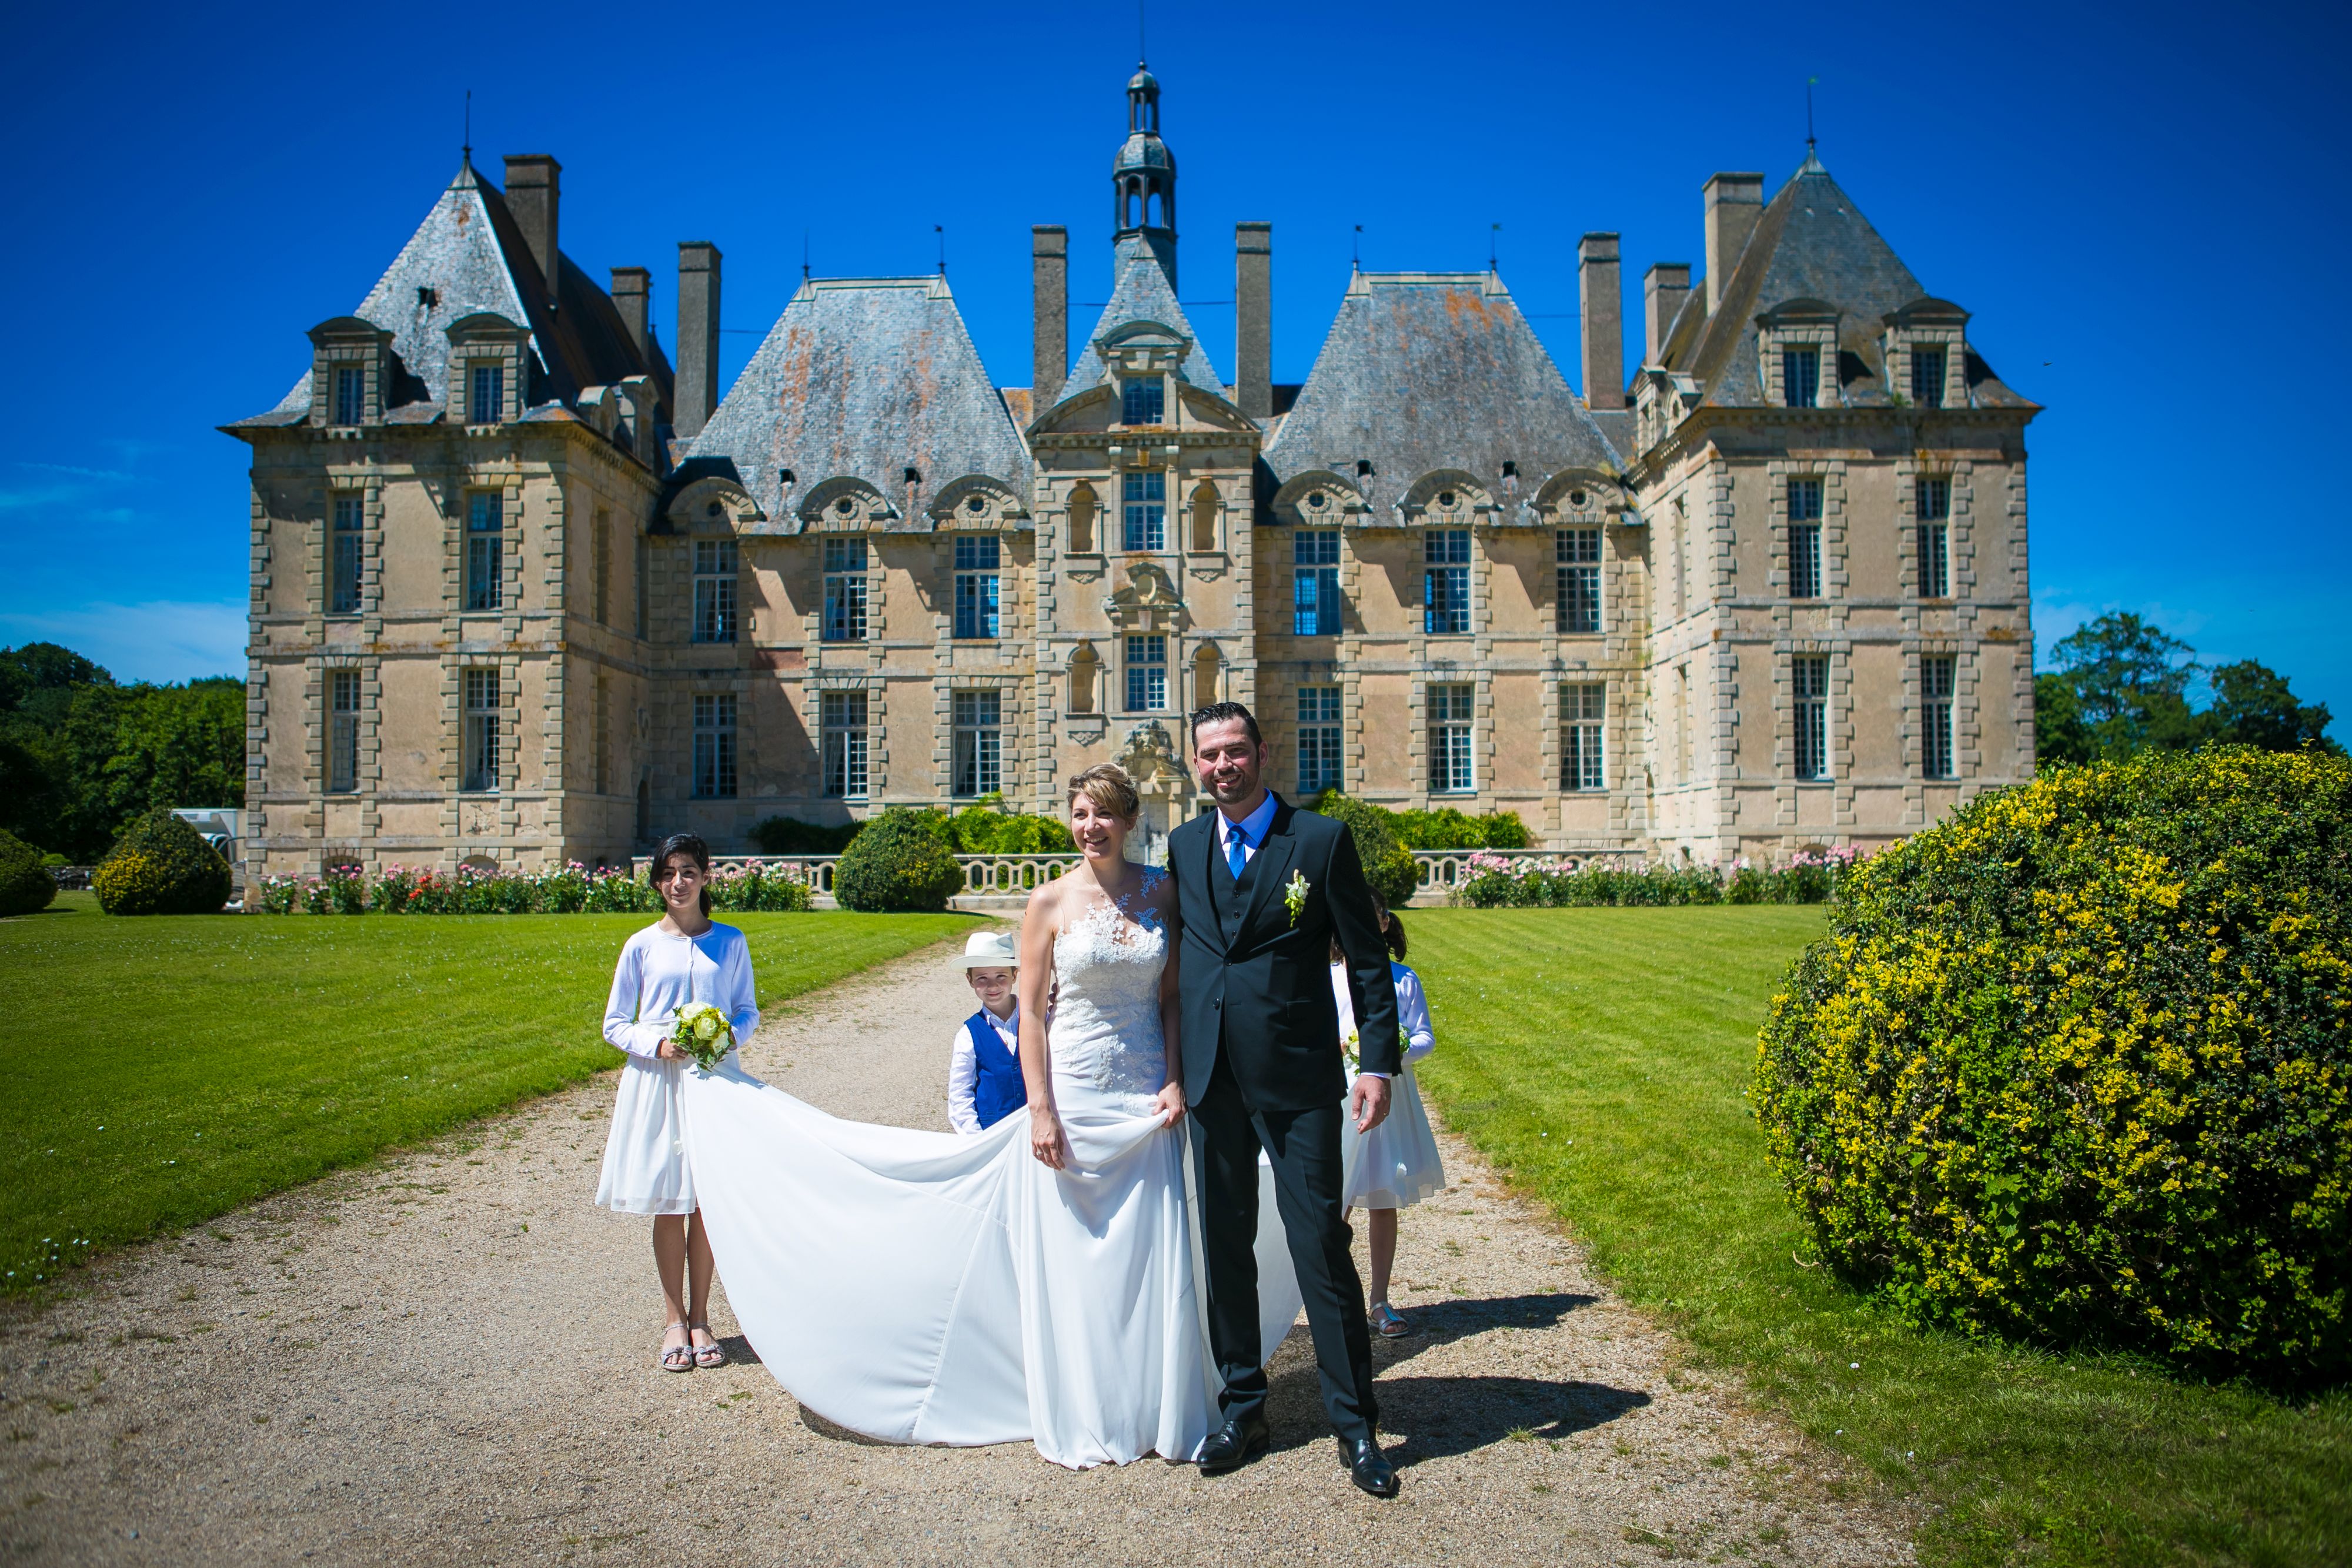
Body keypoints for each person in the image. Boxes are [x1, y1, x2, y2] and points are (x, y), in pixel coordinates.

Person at [665, 765, 1298, 1469]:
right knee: (1080, 1262)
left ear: (1128, 820)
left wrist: (1176, 1079)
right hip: (1076, 1090)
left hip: (1146, 1094)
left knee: (1149, 1256)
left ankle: (1155, 1402)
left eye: (1105, 815)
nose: (1091, 827)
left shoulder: (1164, 893)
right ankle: (1091, 1404)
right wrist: (1041, 1109)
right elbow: (1029, 1011)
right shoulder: (1049, 901)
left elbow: (1173, 998)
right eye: (1081, 814)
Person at [1167, 700, 1405, 1499]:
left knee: (1320, 1250)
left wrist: (1378, 1061)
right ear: (1194, 763)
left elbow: (1367, 960)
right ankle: (1245, 1410)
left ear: (1261, 754)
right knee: (1225, 1250)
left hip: (1299, 1077)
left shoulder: (1321, 840)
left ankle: (1356, 1425)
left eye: (1235, 751)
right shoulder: (1186, 843)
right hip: (1212, 1081)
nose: (1223, 765)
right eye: (1209, 754)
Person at [594, 831, 760, 1373]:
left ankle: (702, 1316)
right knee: (671, 1200)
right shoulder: (641, 945)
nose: (678, 882)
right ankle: (673, 1318)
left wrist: (726, 1037)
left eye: (688, 871)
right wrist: (657, 1043)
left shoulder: (730, 940)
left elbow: (747, 1010)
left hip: (713, 1077)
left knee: (706, 1199)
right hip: (659, 1077)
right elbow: (615, 1022)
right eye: (668, 874)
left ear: (706, 876)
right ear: (657, 883)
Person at [1332, 892, 1444, 1337]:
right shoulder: (1327, 978)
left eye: (1372, 915)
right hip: (1339, 1096)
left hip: (1386, 1097)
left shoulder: (1402, 979)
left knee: (1382, 1196)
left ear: (1383, 923)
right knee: (1333, 1200)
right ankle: (1331, 1297)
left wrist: (1391, 1052)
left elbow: (1425, 1037)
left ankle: (1379, 1299)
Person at [946, 929, 1025, 1134]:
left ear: (1014, 975)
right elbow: (960, 1093)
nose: (993, 985)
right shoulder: (969, 1034)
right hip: (992, 1132)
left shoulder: (1037, 1018)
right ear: (970, 980)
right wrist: (976, 1139)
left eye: (1001, 976)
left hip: (1036, 1131)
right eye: (982, 978)